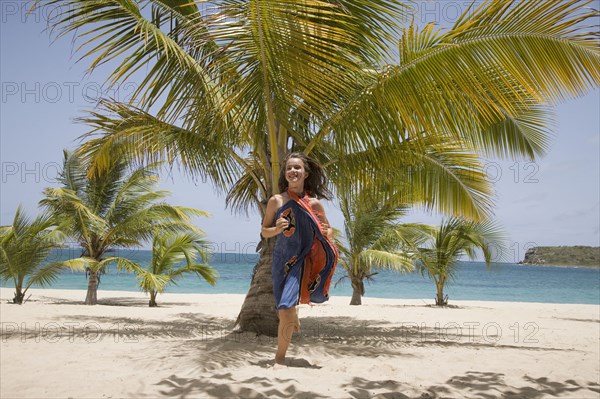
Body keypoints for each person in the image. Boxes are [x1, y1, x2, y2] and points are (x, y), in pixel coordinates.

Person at [261, 152, 338, 366]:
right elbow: (264, 232)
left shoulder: (315, 205)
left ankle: (280, 359)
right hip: (280, 261)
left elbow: (329, 230)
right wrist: (275, 229)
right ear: (285, 174)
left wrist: (328, 231)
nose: (293, 171)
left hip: (303, 261)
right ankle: (292, 311)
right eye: (289, 168)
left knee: (284, 309)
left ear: (306, 173)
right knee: (283, 308)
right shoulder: (276, 201)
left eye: (297, 168)